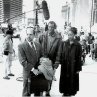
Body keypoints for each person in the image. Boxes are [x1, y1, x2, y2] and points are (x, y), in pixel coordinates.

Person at [56, 27, 82, 97]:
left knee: (72, 80)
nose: (69, 36)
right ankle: (64, 92)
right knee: (64, 79)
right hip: (65, 65)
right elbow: (61, 53)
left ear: (74, 35)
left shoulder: (78, 45)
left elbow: (79, 57)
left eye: (71, 34)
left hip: (73, 66)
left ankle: (71, 93)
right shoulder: (64, 43)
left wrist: (78, 68)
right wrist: (60, 61)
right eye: (68, 34)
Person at [39, 21, 62, 96]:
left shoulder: (58, 37)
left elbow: (59, 51)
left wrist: (57, 63)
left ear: (54, 27)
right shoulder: (43, 35)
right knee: (42, 76)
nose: (50, 28)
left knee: (50, 76)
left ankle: (48, 91)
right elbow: (38, 47)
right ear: (47, 27)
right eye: (49, 27)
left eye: (52, 27)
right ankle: (41, 90)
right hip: (43, 59)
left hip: (52, 60)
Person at [18, 27, 42, 97]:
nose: (29, 36)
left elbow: (41, 57)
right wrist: (33, 69)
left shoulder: (38, 45)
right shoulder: (21, 46)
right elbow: (23, 61)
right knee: (27, 92)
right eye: (27, 34)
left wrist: (40, 68)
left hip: (37, 72)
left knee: (37, 92)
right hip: (28, 72)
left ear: (34, 35)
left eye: (31, 34)